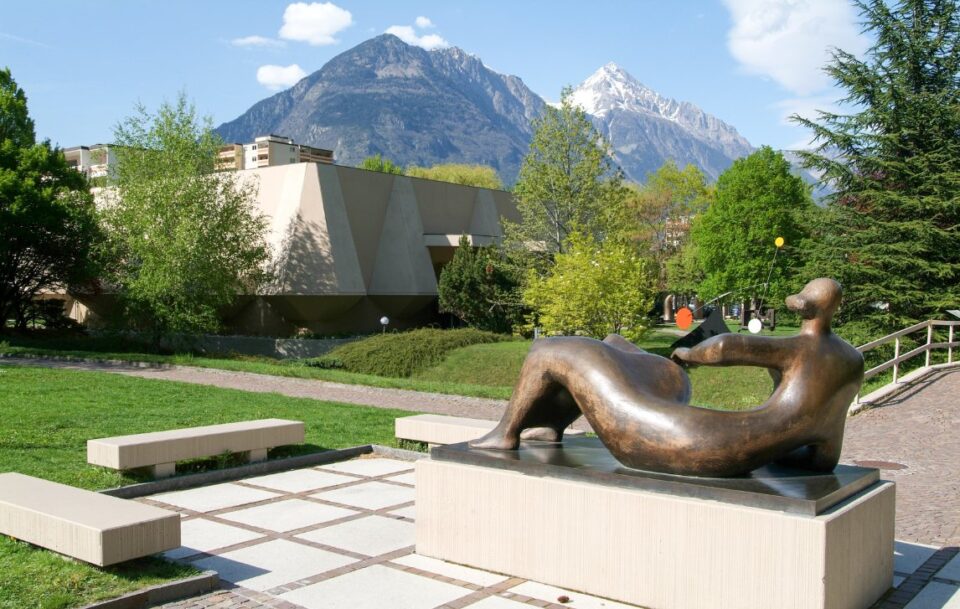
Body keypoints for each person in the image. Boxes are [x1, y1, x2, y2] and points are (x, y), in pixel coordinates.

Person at [470, 278, 864, 477]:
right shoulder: (851, 362)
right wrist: (777, 452)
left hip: (685, 441)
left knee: (548, 350)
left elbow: (725, 347)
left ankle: (505, 434)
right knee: (614, 343)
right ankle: (549, 425)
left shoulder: (795, 349)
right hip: (741, 446)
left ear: (805, 307)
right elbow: (823, 461)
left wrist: (690, 352)